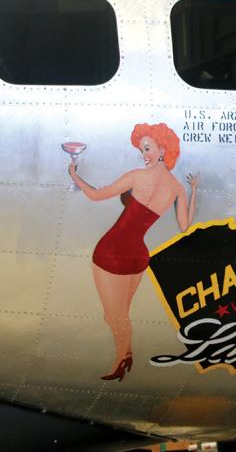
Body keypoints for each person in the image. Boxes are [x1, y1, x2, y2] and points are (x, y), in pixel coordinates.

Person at [69, 123, 199, 382]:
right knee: (121, 316)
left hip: (112, 251)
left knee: (114, 316)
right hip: (139, 256)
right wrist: (194, 190)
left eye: (148, 148)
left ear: (163, 148)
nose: (144, 154)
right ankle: (125, 354)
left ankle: (121, 361)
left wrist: (75, 177)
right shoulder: (177, 188)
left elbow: (95, 196)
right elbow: (185, 226)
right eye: (142, 150)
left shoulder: (138, 176)